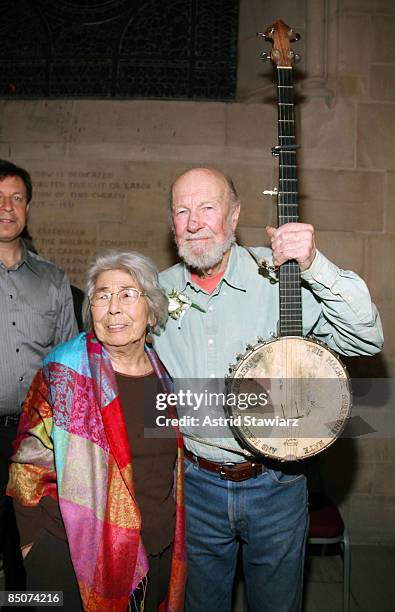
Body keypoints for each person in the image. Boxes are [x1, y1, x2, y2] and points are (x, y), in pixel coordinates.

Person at [153, 167, 384, 612]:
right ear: (172, 224)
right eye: (182, 211)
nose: (194, 221)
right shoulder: (156, 292)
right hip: (194, 484)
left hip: (276, 485)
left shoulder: (283, 278)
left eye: (207, 207)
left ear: (235, 214)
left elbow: (366, 338)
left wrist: (316, 264)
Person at [7, 250, 186, 612]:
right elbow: (26, 467)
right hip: (71, 556)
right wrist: (34, 548)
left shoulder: (166, 376)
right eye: (102, 295)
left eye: (127, 295)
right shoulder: (63, 373)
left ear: (151, 310)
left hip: (157, 549)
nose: (113, 307)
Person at [0, 159, 77, 592]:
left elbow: (66, 366)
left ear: (28, 207)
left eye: (16, 197)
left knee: (29, 544)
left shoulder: (53, 280)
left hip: (34, 438)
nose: (6, 207)